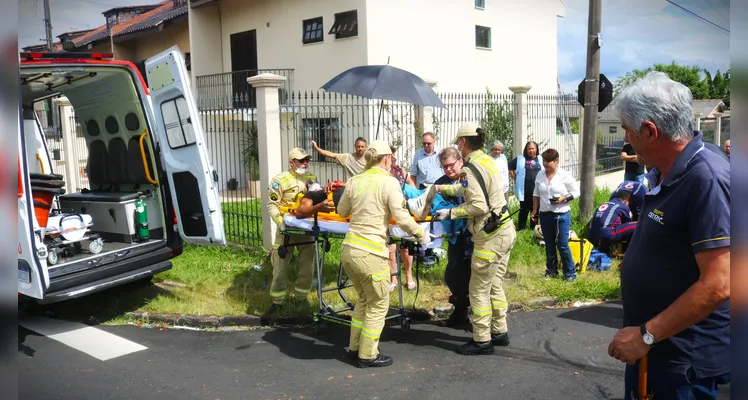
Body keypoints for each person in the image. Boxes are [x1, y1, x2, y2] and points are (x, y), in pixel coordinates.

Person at [605, 72, 730, 399]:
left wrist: (645, 336)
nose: (626, 141)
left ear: (649, 130)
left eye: (627, 131)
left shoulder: (705, 178)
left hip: (681, 362)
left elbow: (719, 283)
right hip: (656, 352)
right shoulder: (666, 172)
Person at [336, 140, 431, 368]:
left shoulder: (354, 180)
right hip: (371, 253)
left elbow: (341, 211)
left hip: (349, 250)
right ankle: (368, 355)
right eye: (391, 158)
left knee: (364, 300)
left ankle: (355, 348)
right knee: (378, 304)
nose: (393, 161)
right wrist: (421, 234)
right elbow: (401, 217)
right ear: (386, 158)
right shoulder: (389, 182)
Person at [432, 122, 517, 355]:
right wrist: (442, 190)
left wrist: (450, 212)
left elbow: (478, 204)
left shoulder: (470, 168)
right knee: (495, 284)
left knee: (478, 288)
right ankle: (500, 332)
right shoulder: (487, 161)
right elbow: (473, 188)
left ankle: (482, 340)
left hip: (488, 236)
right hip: (505, 230)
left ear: (462, 143)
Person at [266, 148, 318, 315]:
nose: (305, 163)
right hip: (286, 231)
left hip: (306, 229)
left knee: (307, 267)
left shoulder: (311, 178)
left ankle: (301, 299)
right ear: (291, 162)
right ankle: (277, 302)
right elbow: (272, 205)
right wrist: (280, 223)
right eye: (301, 160)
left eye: (306, 160)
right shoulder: (279, 180)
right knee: (280, 268)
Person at [434, 147, 473, 328]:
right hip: (454, 237)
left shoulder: (470, 178)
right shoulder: (440, 184)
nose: (448, 169)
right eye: (444, 167)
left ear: (460, 161)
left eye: (451, 165)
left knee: (470, 276)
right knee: (453, 275)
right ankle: (459, 314)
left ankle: (472, 319)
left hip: (473, 235)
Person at [530, 148, 580, 282]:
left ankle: (570, 273)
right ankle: (552, 271)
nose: (545, 164)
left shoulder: (565, 175)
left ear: (556, 160)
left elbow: (576, 192)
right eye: (544, 161)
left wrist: (564, 198)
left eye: (548, 162)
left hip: (561, 215)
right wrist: (535, 210)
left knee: (562, 244)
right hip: (545, 214)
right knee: (549, 244)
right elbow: (536, 193)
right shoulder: (540, 175)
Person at [387, 146, 417, 291]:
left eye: (394, 155)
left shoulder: (400, 171)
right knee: (390, 249)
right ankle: (393, 277)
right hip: (388, 214)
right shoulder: (382, 173)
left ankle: (409, 276)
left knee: (405, 248)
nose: (393, 158)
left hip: (403, 211)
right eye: (390, 155)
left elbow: (411, 184)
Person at [587, 190, 637, 255]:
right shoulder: (623, 206)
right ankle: (629, 251)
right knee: (637, 224)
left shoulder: (604, 203)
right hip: (607, 235)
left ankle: (604, 248)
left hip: (591, 235)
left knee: (607, 227)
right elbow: (628, 222)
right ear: (626, 200)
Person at [508, 141, 542, 230]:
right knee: (524, 209)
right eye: (529, 149)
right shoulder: (520, 159)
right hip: (524, 190)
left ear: (536, 149)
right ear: (526, 150)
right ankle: (522, 227)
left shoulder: (541, 159)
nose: (531, 151)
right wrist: (515, 178)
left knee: (535, 209)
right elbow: (510, 168)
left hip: (537, 190)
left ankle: (533, 227)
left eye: (533, 148)